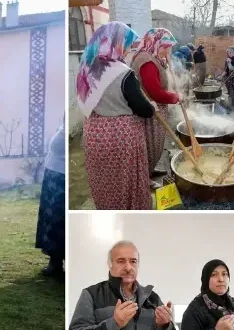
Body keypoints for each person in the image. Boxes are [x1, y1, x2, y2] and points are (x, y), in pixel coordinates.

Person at [77, 22, 154, 210]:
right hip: (120, 138)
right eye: (126, 45)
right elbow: (143, 109)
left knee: (104, 181)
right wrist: (151, 106)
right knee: (126, 183)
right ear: (116, 43)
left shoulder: (86, 68)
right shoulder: (123, 73)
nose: (127, 50)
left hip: (94, 135)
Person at [131, 28, 180, 177]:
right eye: (164, 47)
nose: (167, 51)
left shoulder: (152, 57)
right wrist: (176, 98)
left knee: (154, 147)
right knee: (150, 146)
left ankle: (150, 170)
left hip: (155, 110)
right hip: (151, 113)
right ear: (155, 42)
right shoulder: (147, 62)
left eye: (169, 48)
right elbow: (155, 93)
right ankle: (145, 177)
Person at [35, 124, 65, 280]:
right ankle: (55, 262)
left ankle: (57, 263)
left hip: (61, 176)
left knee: (58, 220)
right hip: (55, 173)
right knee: (52, 220)